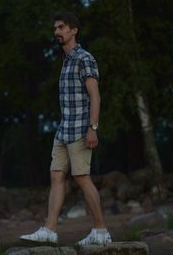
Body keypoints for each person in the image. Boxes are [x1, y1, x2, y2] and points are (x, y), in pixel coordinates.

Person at [19, 12, 112, 246]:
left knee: (82, 178)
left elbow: (95, 96)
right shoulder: (66, 60)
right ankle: (49, 230)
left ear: (74, 30)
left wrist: (93, 128)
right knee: (56, 176)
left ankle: (100, 231)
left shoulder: (84, 58)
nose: (57, 32)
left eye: (61, 27)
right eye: (55, 28)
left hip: (80, 128)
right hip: (63, 129)